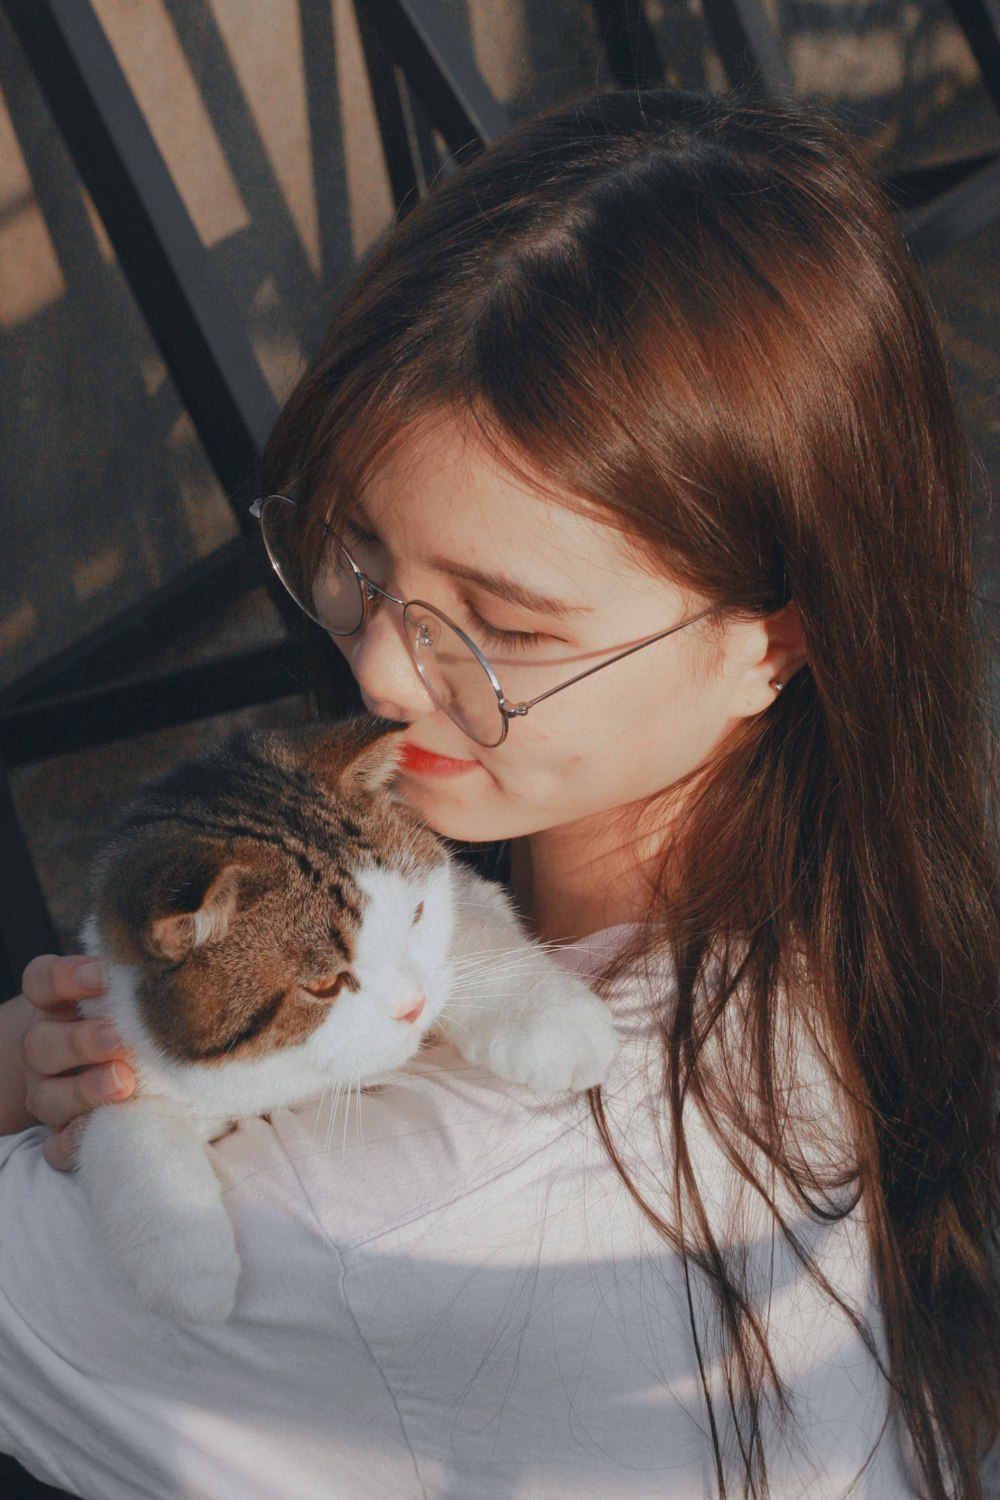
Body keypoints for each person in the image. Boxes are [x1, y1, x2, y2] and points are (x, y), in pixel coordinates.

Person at [0, 84, 997, 1499]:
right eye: (355, 554)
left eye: (504, 625)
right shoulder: (853, 914)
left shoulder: (367, 1208)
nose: (382, 674)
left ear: (768, 643)